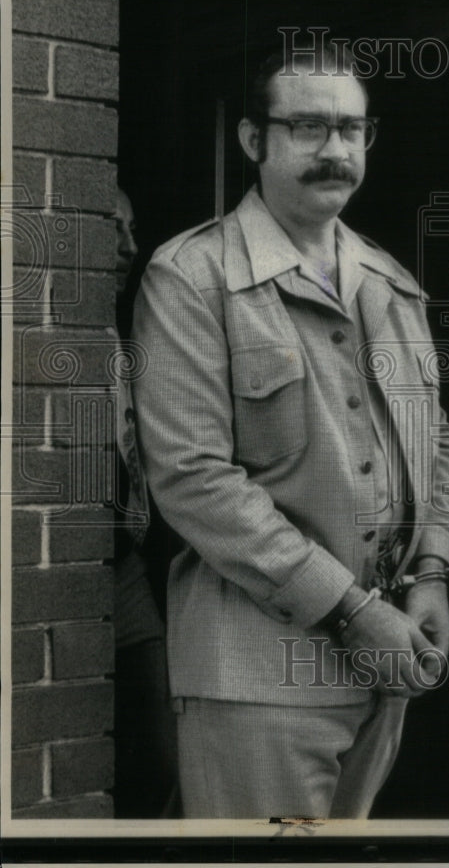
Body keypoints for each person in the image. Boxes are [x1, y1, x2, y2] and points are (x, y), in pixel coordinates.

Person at [131, 42, 449, 819]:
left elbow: (434, 442)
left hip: (385, 662)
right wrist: (353, 612)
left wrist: (432, 572)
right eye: (307, 127)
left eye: (351, 129)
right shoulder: (191, 275)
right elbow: (191, 476)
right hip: (257, 676)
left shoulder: (391, 283)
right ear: (254, 141)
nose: (335, 150)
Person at [112, 188, 179, 818]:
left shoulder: (126, 327)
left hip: (123, 570)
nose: (130, 246)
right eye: (114, 228)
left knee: (164, 751)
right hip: (60, 573)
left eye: (132, 228)